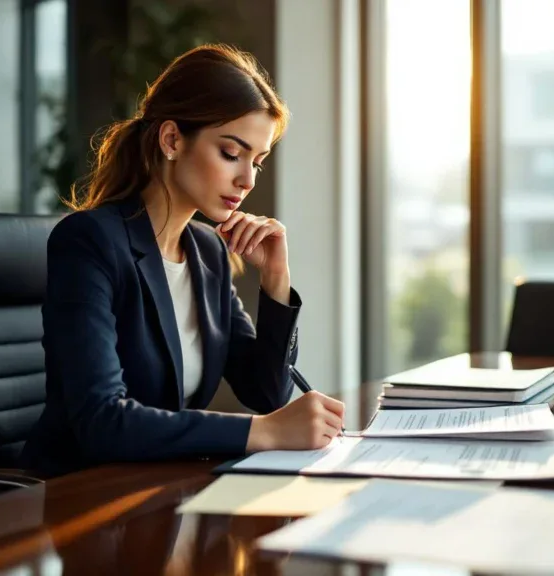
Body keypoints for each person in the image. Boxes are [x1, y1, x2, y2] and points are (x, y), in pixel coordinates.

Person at [20, 44, 345, 477]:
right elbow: (103, 423)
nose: (247, 180)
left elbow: (266, 391)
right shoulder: (90, 241)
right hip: (78, 496)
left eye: (257, 162)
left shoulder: (207, 251)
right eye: (231, 154)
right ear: (172, 140)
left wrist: (275, 276)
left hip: (157, 490)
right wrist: (262, 432)